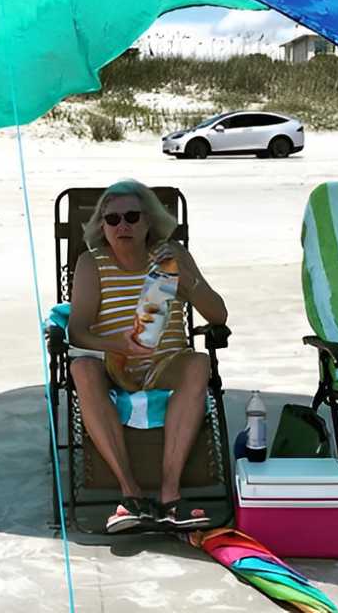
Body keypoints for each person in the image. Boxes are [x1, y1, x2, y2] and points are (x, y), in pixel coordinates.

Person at [67, 179, 228, 533]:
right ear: (101, 227)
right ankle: (131, 495)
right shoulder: (92, 264)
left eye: (131, 216)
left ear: (148, 222)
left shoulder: (171, 256)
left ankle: (171, 496)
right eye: (112, 219)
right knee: (81, 367)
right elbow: (77, 331)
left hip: (165, 364)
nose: (122, 225)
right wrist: (119, 345)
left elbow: (218, 316)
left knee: (199, 362)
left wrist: (189, 281)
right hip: (115, 363)